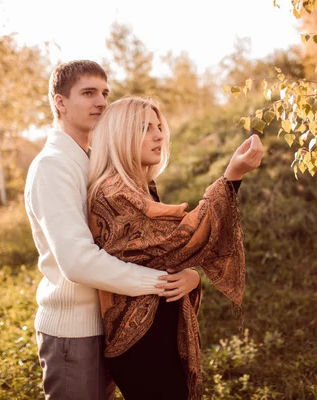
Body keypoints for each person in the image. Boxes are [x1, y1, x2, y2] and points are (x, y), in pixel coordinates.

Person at [24, 61, 201, 400]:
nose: (101, 102)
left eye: (105, 93)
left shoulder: (94, 161)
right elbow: (77, 261)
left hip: (111, 324)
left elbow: (139, 244)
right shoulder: (53, 166)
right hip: (73, 331)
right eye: (88, 93)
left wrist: (188, 274)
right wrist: (161, 283)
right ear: (59, 102)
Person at [87, 96, 263, 400]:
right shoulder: (114, 193)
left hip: (156, 334)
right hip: (141, 346)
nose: (159, 135)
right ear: (120, 136)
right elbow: (182, 240)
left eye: (159, 127)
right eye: (145, 128)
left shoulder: (141, 188)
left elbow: (162, 253)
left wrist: (192, 276)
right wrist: (232, 176)